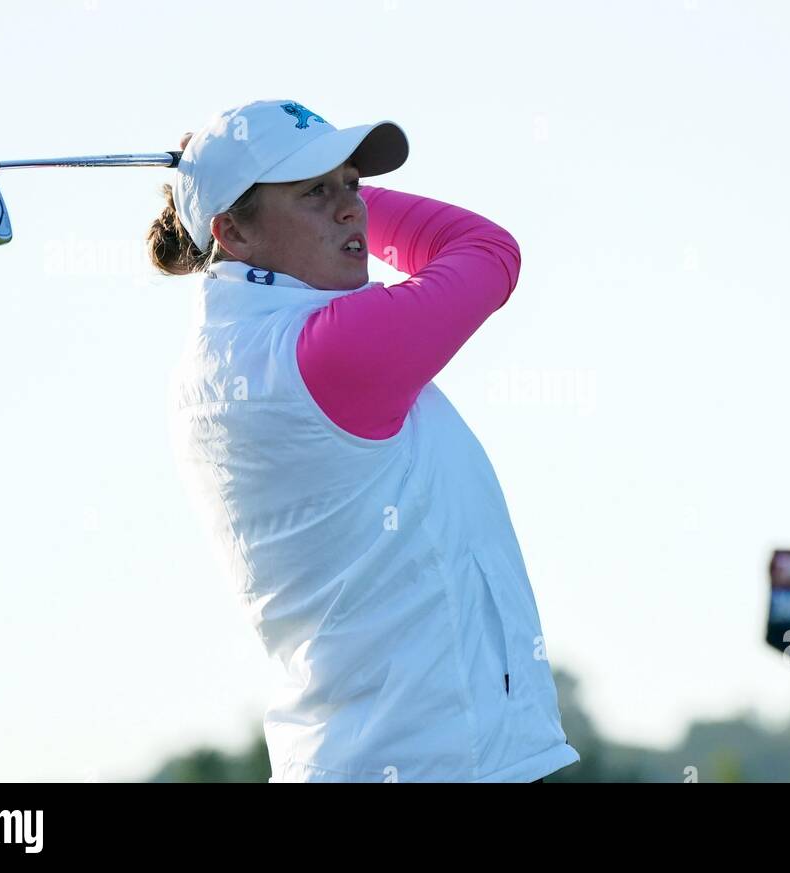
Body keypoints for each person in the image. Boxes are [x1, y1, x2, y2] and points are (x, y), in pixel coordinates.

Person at [150, 99, 579, 783]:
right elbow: (488, 251)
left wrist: (241, 187)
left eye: (352, 183)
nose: (352, 209)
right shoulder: (325, 351)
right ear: (232, 231)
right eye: (315, 191)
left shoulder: (223, 354)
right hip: (428, 760)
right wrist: (226, 184)